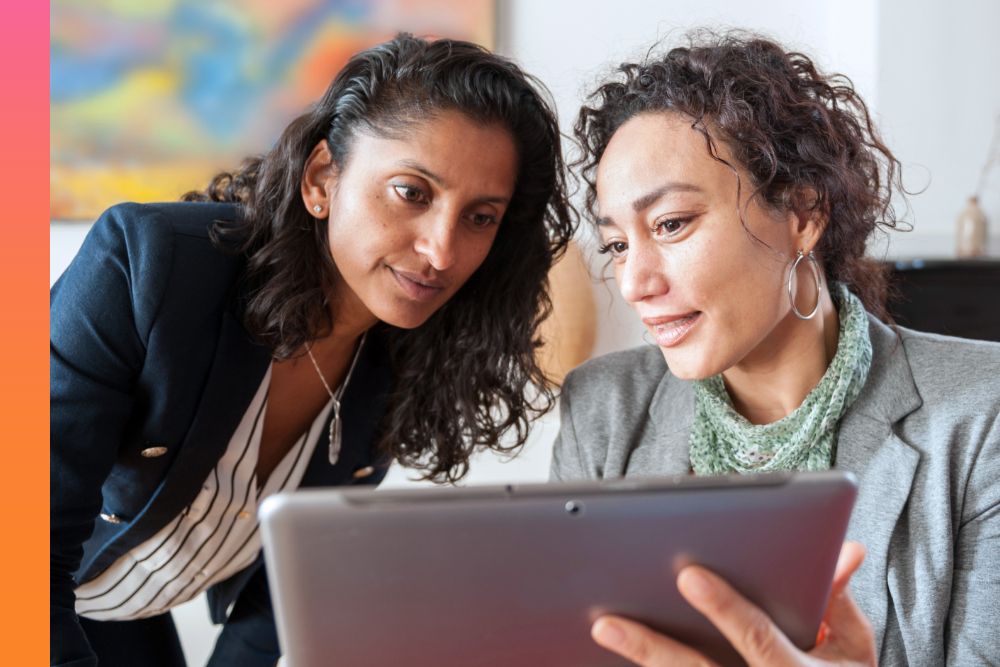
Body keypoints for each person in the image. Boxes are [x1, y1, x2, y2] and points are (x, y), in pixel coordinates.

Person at [51, 33, 574, 667]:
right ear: (322, 177)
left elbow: (282, 585)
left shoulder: (411, 356)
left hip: (119, 608)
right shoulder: (145, 266)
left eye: (480, 216)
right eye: (412, 192)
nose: (443, 250)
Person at [554, 31, 1000, 666]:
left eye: (671, 224)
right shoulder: (603, 414)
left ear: (801, 214)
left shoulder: (984, 418)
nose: (633, 283)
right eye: (618, 244)